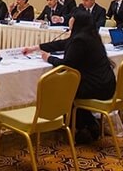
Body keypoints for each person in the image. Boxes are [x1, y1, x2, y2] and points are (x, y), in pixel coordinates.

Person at [23, 10, 116, 144]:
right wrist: (36, 48)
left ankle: (82, 127)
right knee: (69, 88)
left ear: (77, 22)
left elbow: (67, 65)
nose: (70, 20)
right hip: (107, 83)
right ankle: (89, 124)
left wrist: (49, 58)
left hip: (96, 87)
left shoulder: (80, 40)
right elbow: (63, 43)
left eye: (72, 18)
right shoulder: (91, 36)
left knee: (64, 90)